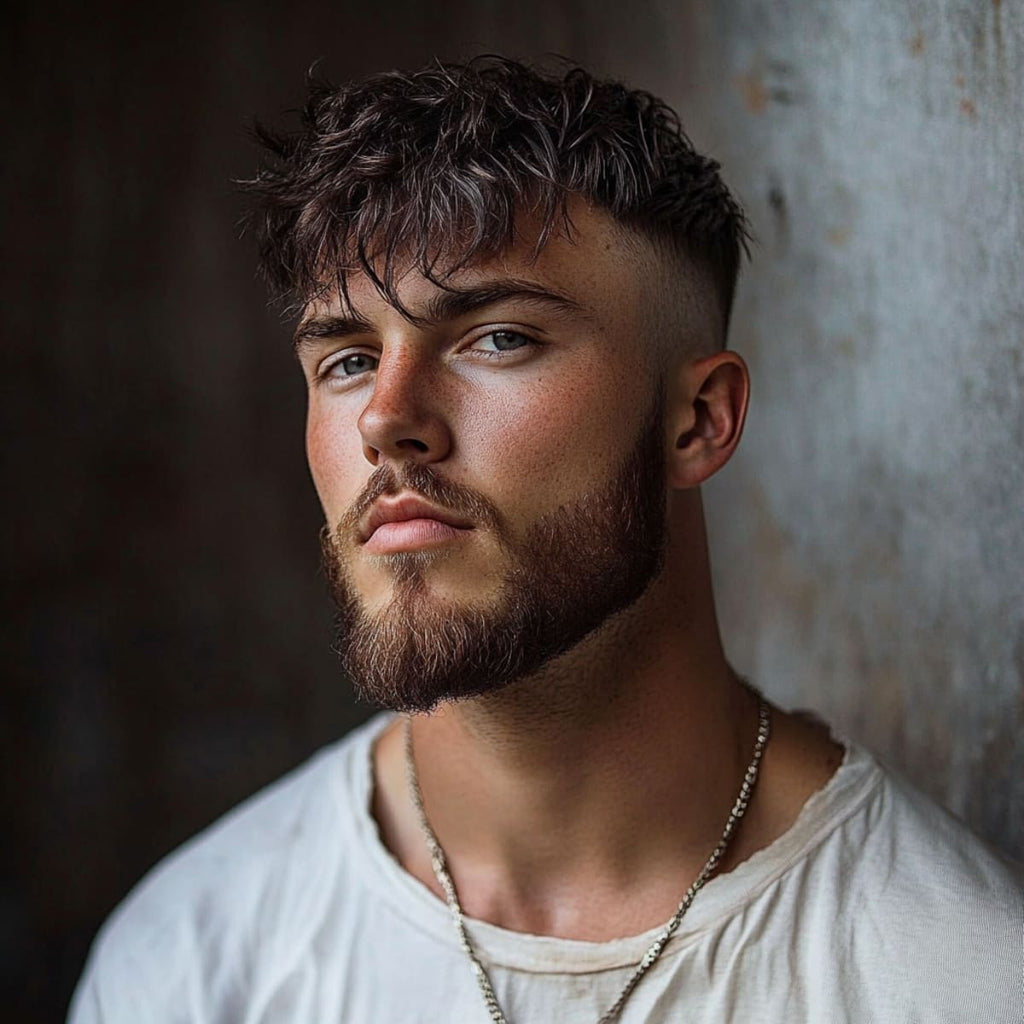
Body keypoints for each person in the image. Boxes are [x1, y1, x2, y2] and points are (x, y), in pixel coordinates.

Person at [69, 57, 1021, 1023]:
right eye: (349, 359)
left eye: (499, 339)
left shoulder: (959, 981)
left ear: (699, 420)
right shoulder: (192, 964)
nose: (386, 421)